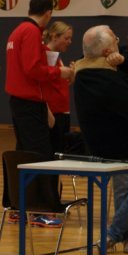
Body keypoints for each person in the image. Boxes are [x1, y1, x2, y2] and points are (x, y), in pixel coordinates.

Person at [73, 25, 128, 254]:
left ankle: (117, 235)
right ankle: (122, 236)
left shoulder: (114, 61)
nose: (119, 42)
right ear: (107, 49)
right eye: (116, 40)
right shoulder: (94, 73)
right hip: (117, 142)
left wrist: (122, 58)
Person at [5, 0, 73, 158]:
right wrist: (59, 72)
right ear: (48, 13)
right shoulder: (31, 31)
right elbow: (32, 69)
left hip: (20, 102)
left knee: (24, 153)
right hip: (30, 103)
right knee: (39, 155)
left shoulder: (18, 31)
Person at [41, 21, 74, 156]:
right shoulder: (46, 54)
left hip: (63, 112)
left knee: (60, 154)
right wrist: (48, 113)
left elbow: (58, 84)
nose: (69, 42)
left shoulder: (56, 57)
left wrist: (72, 75)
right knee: (52, 155)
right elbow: (40, 85)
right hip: (54, 113)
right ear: (54, 36)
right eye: (66, 38)